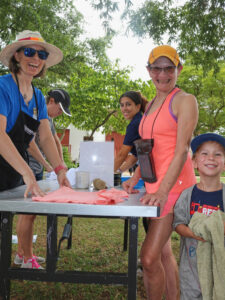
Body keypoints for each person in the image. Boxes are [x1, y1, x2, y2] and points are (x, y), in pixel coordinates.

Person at [122, 45, 198, 300]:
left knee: (149, 257)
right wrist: (135, 179)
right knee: (163, 254)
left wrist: (164, 191)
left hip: (174, 189)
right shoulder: (152, 103)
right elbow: (148, 149)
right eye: (157, 68)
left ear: (179, 69)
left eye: (169, 68)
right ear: (148, 70)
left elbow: (181, 150)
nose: (162, 74)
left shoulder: (184, 100)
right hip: (154, 189)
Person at [0, 30, 71, 269]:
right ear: (17, 55)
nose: (36, 58)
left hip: (13, 167)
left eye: (41, 54)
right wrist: (28, 173)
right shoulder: (2, 86)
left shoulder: (39, 97)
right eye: (29, 52)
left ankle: (22, 256)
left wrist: (60, 169)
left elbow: (46, 137)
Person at [173, 133, 225, 300]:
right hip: (191, 266)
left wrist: (217, 229)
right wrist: (196, 233)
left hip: (220, 264)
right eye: (204, 153)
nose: (211, 158)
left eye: (218, 154)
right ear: (194, 162)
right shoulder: (187, 195)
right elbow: (178, 224)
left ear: (224, 163)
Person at [28, 88, 71, 180]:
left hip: (38, 169)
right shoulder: (34, 113)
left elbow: (56, 142)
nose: (59, 114)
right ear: (51, 101)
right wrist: (47, 165)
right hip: (27, 168)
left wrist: (61, 162)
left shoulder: (49, 120)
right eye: (59, 109)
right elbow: (29, 143)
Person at [114, 91, 148, 173]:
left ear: (138, 106)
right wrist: (119, 171)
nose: (124, 108)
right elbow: (135, 156)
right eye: (122, 105)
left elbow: (122, 154)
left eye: (128, 104)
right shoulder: (141, 120)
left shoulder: (135, 124)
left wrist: (105, 175)